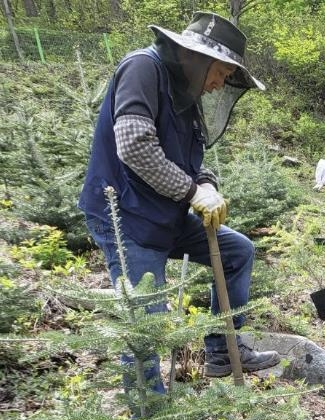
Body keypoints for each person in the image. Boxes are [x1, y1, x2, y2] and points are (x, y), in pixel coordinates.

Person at [77, 12, 279, 387]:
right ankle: (148, 419)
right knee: (147, 321)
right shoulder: (143, 69)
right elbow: (135, 146)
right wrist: (191, 193)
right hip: (126, 216)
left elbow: (194, 161)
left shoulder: (189, 97)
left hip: (164, 215)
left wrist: (207, 186)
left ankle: (221, 350)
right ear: (197, 59)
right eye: (220, 73)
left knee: (238, 251)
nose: (219, 85)